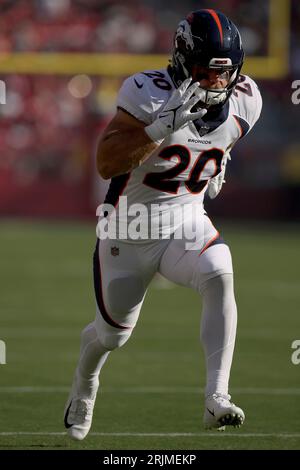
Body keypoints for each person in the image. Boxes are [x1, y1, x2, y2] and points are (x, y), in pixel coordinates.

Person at [64, 9, 262, 440]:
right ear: (182, 61)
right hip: (129, 229)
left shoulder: (247, 98)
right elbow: (106, 163)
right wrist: (159, 126)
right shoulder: (146, 92)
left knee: (220, 271)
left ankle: (217, 397)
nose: (216, 83)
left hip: (185, 219)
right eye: (205, 72)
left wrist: (218, 159)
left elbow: (226, 135)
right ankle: (85, 382)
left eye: (223, 74)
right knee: (111, 337)